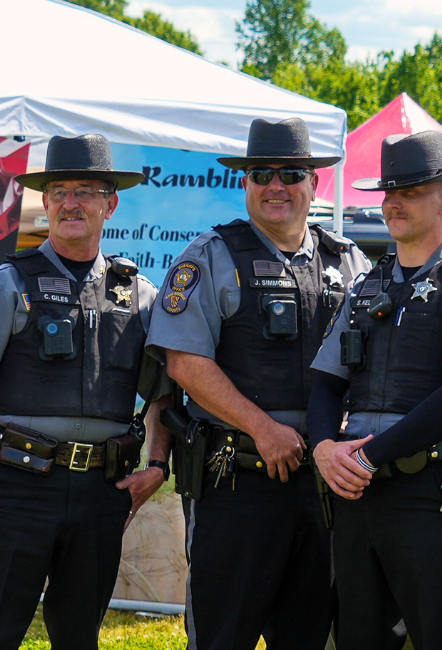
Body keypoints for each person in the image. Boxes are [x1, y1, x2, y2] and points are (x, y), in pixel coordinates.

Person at [0, 134, 173, 650]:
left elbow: (164, 392)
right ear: (43, 203)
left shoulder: (138, 294)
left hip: (100, 494)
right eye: (60, 191)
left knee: (79, 638)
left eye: (87, 191)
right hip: (17, 489)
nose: (72, 203)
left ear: (110, 203)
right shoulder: (6, 284)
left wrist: (156, 467)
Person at [149, 118, 368, 650]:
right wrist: (263, 428)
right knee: (223, 635)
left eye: (291, 172)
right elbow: (183, 362)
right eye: (261, 173)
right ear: (243, 182)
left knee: (308, 633)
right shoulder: (211, 257)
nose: (276, 184)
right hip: (236, 481)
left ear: (313, 184)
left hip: (322, 486)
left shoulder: (350, 262)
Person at [306, 131, 442, 650]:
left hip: (427, 495)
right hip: (355, 491)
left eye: (413, 191)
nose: (395, 202)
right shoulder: (365, 286)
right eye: (389, 191)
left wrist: (367, 457)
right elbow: (326, 383)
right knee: (358, 636)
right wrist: (324, 449)